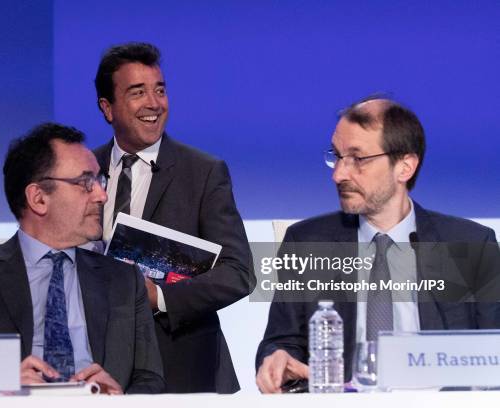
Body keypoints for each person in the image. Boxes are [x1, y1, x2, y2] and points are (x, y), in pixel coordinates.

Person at [255, 96, 500, 393]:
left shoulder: (471, 245)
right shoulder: (306, 243)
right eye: (336, 156)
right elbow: (281, 342)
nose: (338, 174)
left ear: (405, 167)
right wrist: (277, 359)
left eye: (358, 159)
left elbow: (493, 349)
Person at [0, 123, 164, 394]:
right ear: (38, 199)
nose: (102, 195)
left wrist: (120, 399)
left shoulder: (124, 279)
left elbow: (150, 378)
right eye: (86, 182)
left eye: (100, 180)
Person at [93, 42, 254, 393]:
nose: (154, 103)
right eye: (138, 92)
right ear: (108, 108)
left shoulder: (203, 172)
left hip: (183, 367)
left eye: (160, 90)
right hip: (96, 368)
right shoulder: (82, 172)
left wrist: (160, 298)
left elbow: (238, 274)